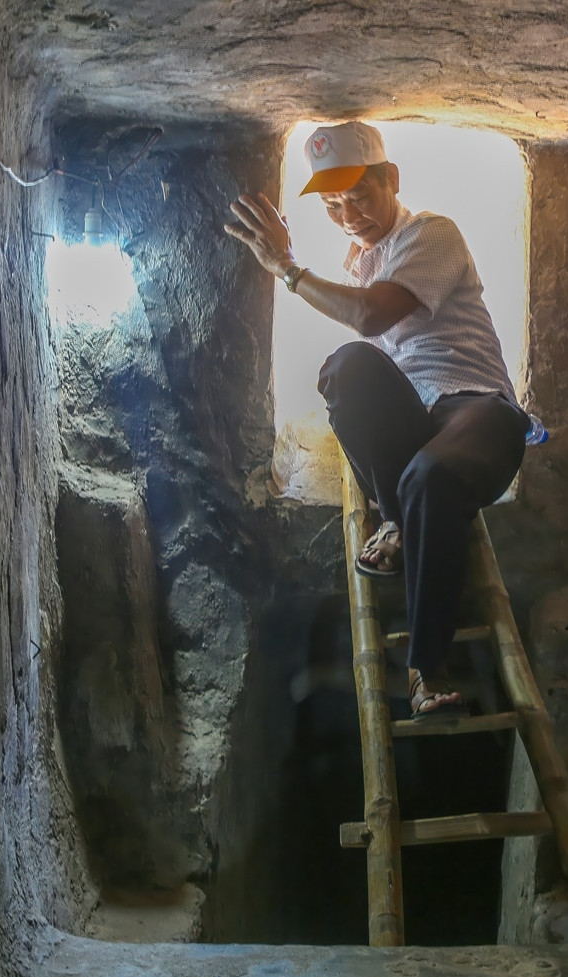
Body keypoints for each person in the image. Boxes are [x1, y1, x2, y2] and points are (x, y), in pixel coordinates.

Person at [223, 121, 529, 719]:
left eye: (358, 197)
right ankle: (397, 520)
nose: (347, 215)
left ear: (390, 180)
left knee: (430, 476)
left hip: (476, 411)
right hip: (418, 428)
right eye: (332, 205)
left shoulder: (430, 233)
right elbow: (364, 347)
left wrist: (287, 269)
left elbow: (369, 315)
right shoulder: (359, 260)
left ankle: (427, 670)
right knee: (346, 368)